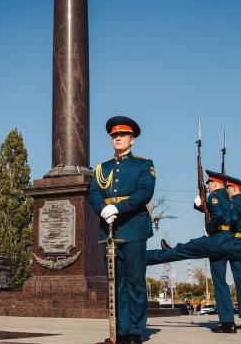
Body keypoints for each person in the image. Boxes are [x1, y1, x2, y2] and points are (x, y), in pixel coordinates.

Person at [88, 116, 156, 344]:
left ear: (132, 139)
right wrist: (102, 209)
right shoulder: (102, 168)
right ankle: (120, 331)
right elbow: (94, 192)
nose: (118, 138)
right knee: (115, 281)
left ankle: (135, 332)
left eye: (122, 135)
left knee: (135, 280)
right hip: (109, 229)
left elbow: (144, 192)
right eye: (114, 136)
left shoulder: (143, 165)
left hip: (134, 226)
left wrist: (118, 207)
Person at [146, 170, 238, 333]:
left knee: (184, 249)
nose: (208, 186)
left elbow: (216, 216)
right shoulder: (228, 198)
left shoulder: (215, 197)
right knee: (220, 282)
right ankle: (228, 322)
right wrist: (201, 205)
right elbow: (229, 216)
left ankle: (146, 257)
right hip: (227, 241)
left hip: (215, 240)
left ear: (216, 184)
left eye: (210, 183)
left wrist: (209, 229)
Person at [215, 174, 241, 331]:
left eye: (227, 189)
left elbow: (231, 218)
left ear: (234, 189)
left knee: (219, 278)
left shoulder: (236, 203)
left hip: (229, 243)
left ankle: (227, 321)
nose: (226, 191)